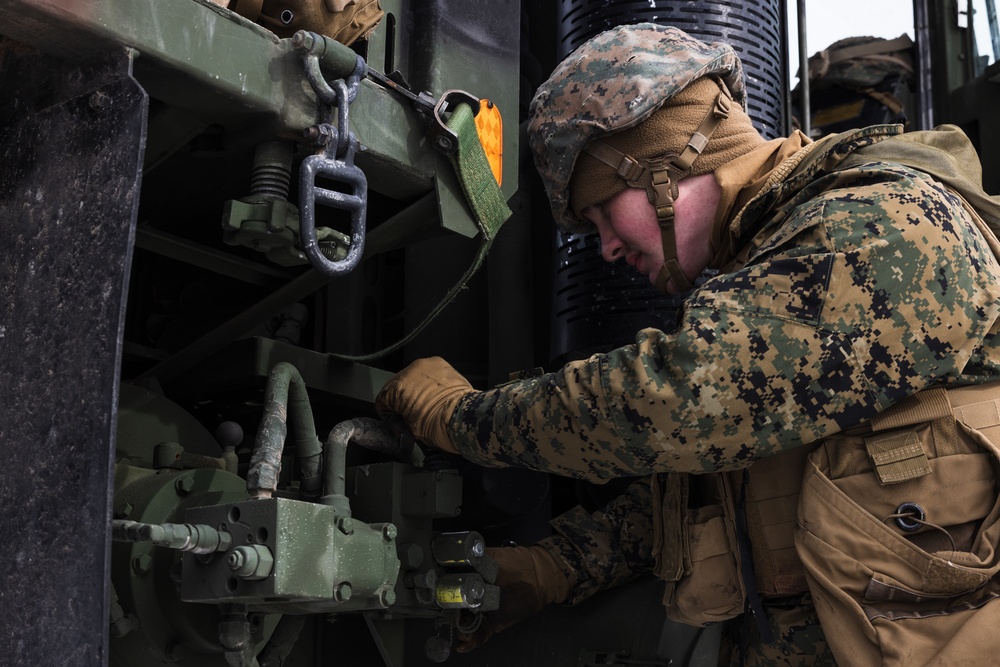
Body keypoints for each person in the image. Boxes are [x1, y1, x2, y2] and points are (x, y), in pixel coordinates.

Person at [377, 23, 1000, 666]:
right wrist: (554, 567)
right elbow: (714, 494)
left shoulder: (887, 224)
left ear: (662, 167)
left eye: (600, 214)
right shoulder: (769, 271)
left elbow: (675, 402)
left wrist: (463, 418)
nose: (609, 249)